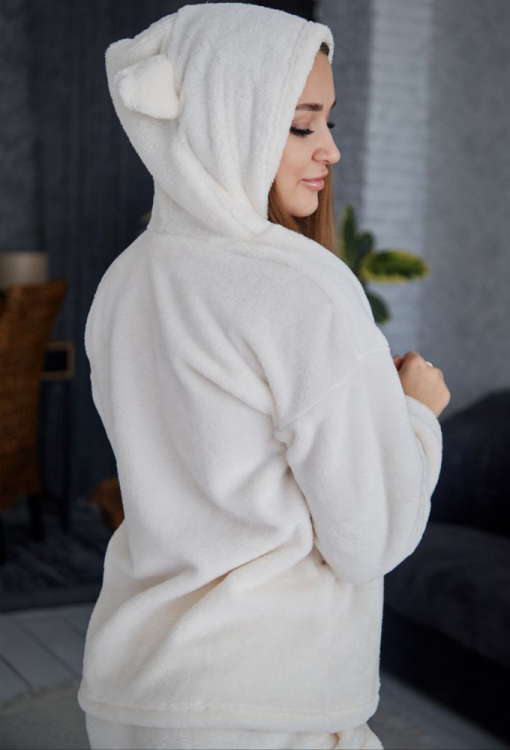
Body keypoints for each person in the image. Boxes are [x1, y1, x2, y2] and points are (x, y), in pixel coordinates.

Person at [77, 4, 450, 749]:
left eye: (329, 122)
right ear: (229, 120)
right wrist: (414, 416)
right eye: (302, 125)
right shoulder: (305, 290)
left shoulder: (122, 283)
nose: (330, 150)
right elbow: (368, 539)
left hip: (134, 695)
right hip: (267, 702)